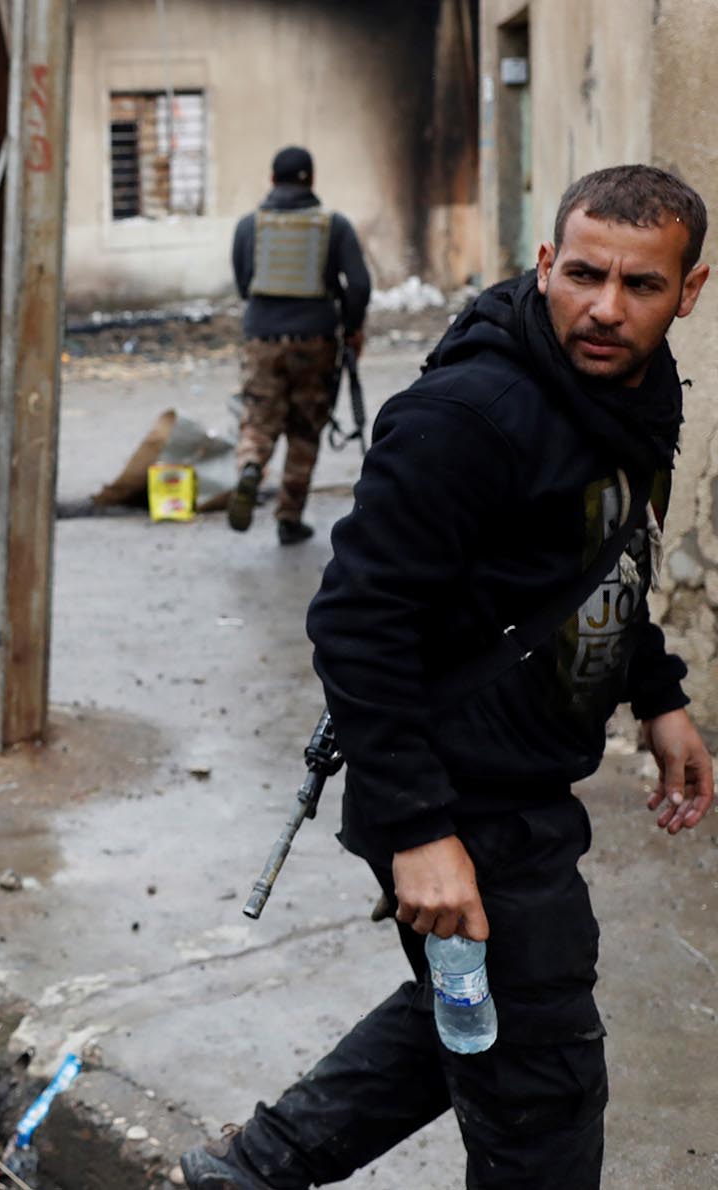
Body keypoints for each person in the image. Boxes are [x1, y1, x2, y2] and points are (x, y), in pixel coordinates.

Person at [185, 164, 713, 1189]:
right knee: (545, 1093)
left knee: (477, 1017)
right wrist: (420, 830)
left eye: (641, 285)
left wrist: (658, 692)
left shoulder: (633, 395)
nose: (607, 308)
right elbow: (357, 622)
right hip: (458, 795)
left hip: (522, 779)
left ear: (688, 291)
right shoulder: (471, 413)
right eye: (585, 275)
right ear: (546, 263)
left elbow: (600, 559)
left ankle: (245, 1173)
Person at [226, 145, 372, 545]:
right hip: (316, 339)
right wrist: (352, 328)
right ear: (312, 179)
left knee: (259, 417)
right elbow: (359, 284)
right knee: (305, 429)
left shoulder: (248, 226)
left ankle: (251, 465)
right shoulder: (334, 226)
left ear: (272, 179)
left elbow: (244, 284)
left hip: (262, 337)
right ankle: (289, 517)